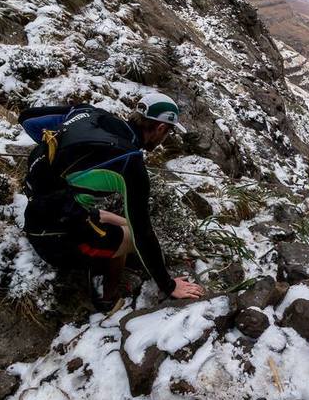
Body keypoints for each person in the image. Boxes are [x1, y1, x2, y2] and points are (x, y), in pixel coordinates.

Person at [20, 92, 205, 310]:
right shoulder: (128, 161)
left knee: (121, 221)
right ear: (161, 128)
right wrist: (169, 284)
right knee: (130, 235)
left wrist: (60, 155)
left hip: (48, 210)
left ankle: (101, 254)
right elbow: (142, 233)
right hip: (53, 238)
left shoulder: (89, 113)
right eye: (169, 132)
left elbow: (28, 118)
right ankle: (107, 296)